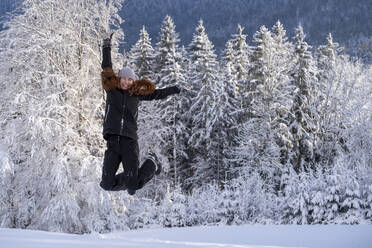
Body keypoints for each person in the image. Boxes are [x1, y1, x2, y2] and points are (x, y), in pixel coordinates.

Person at [99, 34, 181, 195]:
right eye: (124, 78)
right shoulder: (112, 90)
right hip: (113, 143)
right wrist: (106, 46)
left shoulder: (135, 94)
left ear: (133, 82)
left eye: (130, 80)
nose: (126, 82)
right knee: (107, 184)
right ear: (119, 79)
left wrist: (174, 89)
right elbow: (107, 68)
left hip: (129, 142)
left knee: (133, 183)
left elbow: (157, 94)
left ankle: (151, 163)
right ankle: (132, 181)